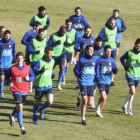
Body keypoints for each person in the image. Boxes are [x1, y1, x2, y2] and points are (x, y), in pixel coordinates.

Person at [7, 52, 35, 134]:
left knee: (19, 106)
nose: (19, 60)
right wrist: (9, 82)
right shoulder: (12, 68)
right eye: (18, 59)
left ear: (23, 59)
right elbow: (7, 76)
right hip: (15, 90)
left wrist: (29, 78)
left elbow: (33, 76)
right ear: (16, 59)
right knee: (20, 107)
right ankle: (22, 128)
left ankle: (12, 115)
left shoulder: (27, 67)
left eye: (21, 58)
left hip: (24, 90)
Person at [74, 45, 96, 125]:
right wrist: (79, 74)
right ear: (86, 51)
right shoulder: (81, 60)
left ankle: (80, 100)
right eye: (89, 50)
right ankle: (83, 119)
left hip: (91, 83)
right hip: (83, 82)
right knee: (85, 101)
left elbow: (97, 69)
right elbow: (75, 69)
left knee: (90, 103)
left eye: (92, 50)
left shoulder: (95, 60)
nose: (91, 51)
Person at [32, 47, 54, 125]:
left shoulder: (53, 61)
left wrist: (52, 75)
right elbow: (33, 72)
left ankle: (41, 108)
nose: (51, 55)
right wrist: (40, 72)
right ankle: (34, 117)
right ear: (45, 53)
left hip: (48, 84)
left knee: (50, 101)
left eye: (52, 53)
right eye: (49, 53)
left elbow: (50, 70)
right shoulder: (39, 62)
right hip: (39, 85)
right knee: (38, 101)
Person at [96, 45, 118, 118]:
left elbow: (114, 71)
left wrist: (115, 71)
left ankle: (99, 110)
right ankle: (98, 110)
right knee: (104, 97)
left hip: (108, 81)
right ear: (104, 51)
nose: (108, 53)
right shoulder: (99, 60)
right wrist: (97, 77)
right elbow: (97, 70)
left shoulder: (112, 61)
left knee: (104, 98)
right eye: (107, 51)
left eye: (110, 52)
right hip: (101, 81)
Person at [120, 39, 140, 115]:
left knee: (131, 92)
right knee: (133, 91)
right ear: (134, 45)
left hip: (137, 75)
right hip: (129, 74)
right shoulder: (129, 53)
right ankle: (130, 107)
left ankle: (124, 105)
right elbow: (121, 58)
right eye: (137, 46)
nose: (138, 47)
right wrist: (125, 65)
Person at [98, 17, 117, 86]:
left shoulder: (116, 28)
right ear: (108, 23)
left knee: (113, 64)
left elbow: (116, 35)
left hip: (113, 49)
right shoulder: (104, 29)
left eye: (114, 23)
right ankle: (100, 76)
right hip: (105, 49)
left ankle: (111, 80)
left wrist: (116, 40)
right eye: (111, 23)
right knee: (104, 64)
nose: (113, 25)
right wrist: (105, 39)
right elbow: (99, 38)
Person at [48, 26, 67, 90]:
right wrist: (55, 43)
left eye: (64, 33)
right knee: (50, 69)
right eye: (62, 33)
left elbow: (64, 42)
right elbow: (49, 45)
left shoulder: (65, 35)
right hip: (53, 55)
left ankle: (58, 83)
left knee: (62, 67)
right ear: (59, 30)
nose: (63, 34)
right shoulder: (53, 36)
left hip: (61, 54)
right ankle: (48, 82)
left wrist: (66, 44)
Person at [0, 30, 16, 98]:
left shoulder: (12, 42)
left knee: (10, 79)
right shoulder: (0, 43)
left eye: (9, 36)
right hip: (1, 64)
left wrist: (14, 58)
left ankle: (14, 91)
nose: (7, 37)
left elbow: (14, 52)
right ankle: (1, 92)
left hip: (9, 64)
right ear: (3, 35)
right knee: (2, 78)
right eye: (6, 36)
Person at [61, 19, 77, 85]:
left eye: (70, 24)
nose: (69, 26)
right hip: (64, 50)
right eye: (68, 24)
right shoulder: (63, 30)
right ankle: (62, 78)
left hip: (70, 50)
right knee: (64, 65)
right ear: (65, 24)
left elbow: (76, 41)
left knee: (67, 65)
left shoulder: (74, 31)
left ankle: (63, 76)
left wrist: (73, 42)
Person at [91, 36, 104, 108]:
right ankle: (91, 100)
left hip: (100, 70)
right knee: (93, 85)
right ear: (95, 42)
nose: (99, 44)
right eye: (97, 43)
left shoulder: (103, 49)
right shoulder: (92, 49)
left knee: (95, 86)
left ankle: (92, 100)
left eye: (100, 43)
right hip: (92, 69)